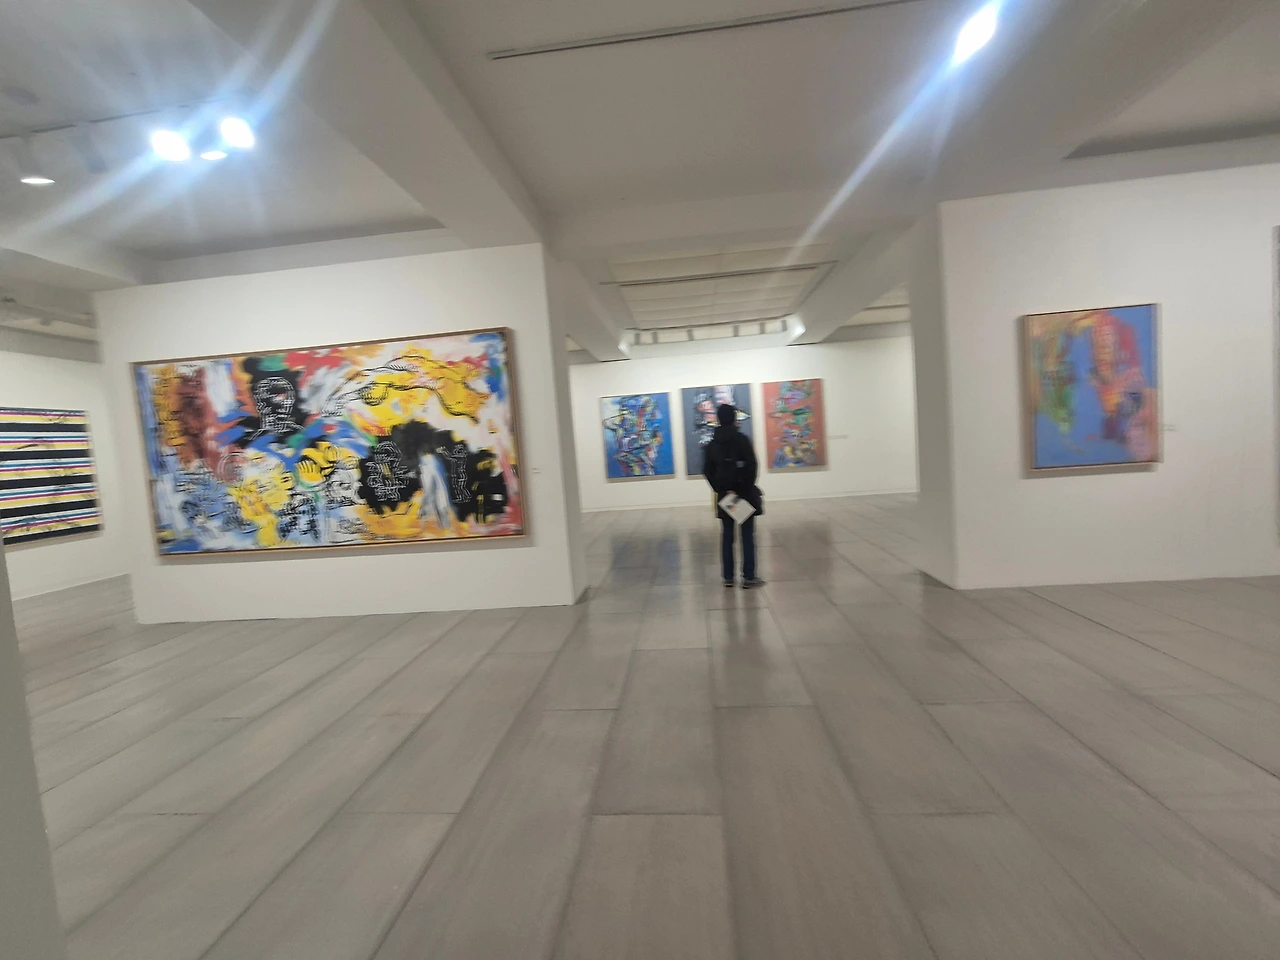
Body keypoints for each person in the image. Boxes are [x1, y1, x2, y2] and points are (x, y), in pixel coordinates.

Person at [702, 403, 765, 588]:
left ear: (718, 419)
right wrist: (741, 489)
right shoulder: (742, 440)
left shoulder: (712, 445)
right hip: (743, 495)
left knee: (727, 535)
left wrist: (721, 489)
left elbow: (707, 470)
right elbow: (752, 467)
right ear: (734, 419)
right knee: (747, 535)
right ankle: (748, 577)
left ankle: (728, 577)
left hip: (725, 497)